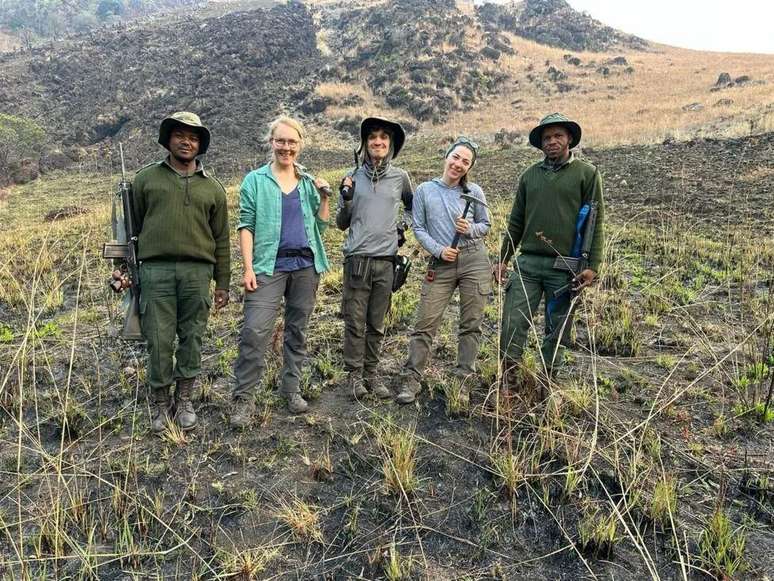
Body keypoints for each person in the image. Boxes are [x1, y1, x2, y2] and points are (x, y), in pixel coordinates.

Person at [132, 111, 230, 433]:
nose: (186, 141)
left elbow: (222, 240)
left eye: (194, 137)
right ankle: (161, 404)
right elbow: (131, 229)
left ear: (200, 145)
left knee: (192, 338)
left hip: (197, 274)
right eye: (180, 135)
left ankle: (185, 399)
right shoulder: (145, 180)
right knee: (158, 340)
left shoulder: (213, 189)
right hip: (155, 272)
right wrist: (125, 272)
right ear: (168, 139)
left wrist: (223, 283)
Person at [494, 113, 605, 397]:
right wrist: (503, 259)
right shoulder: (529, 176)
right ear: (540, 143)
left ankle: (547, 379)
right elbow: (515, 222)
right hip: (527, 263)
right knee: (512, 323)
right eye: (547, 138)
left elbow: (596, 221)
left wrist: (592, 265)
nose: (552, 141)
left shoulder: (587, 174)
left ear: (569, 139)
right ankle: (509, 380)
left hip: (564, 266)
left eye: (558, 136)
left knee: (557, 329)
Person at [230, 116, 331, 427]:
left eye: (292, 142)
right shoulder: (255, 181)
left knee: (297, 331)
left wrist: (325, 196)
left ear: (300, 145)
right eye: (281, 141)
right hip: (267, 267)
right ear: (271, 142)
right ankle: (244, 399)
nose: (286, 147)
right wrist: (248, 268)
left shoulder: (308, 181)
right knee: (254, 331)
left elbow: (320, 225)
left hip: (305, 268)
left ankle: (291, 389)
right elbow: (245, 225)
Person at [396, 137, 491, 404]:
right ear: (446, 157)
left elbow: (485, 224)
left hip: (474, 259)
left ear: (469, 166)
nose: (459, 164)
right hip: (441, 262)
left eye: (465, 161)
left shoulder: (474, 192)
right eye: (456, 157)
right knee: (425, 323)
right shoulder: (425, 190)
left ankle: (463, 380)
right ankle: (412, 378)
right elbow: (419, 228)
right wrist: (439, 250)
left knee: (471, 324)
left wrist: (469, 229)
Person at [336, 117, 413, 400]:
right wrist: (346, 200)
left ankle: (372, 374)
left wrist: (401, 226)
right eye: (372, 137)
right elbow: (341, 223)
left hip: (386, 261)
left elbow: (412, 207)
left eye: (383, 137)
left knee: (377, 324)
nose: (378, 142)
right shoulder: (351, 176)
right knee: (354, 322)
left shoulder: (400, 177)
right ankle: (354, 377)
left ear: (391, 144)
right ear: (364, 144)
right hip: (357, 260)